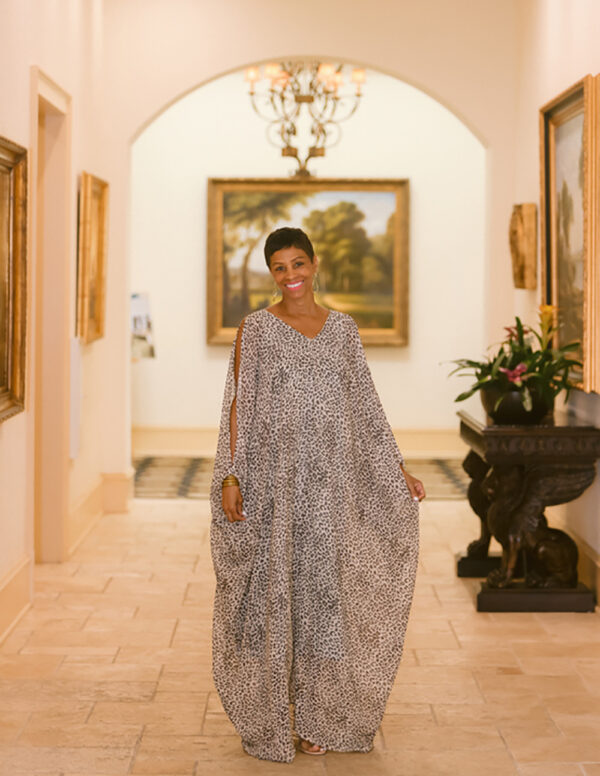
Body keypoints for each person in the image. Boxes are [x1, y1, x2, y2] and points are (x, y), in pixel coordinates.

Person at [210, 227, 424, 763]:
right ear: (271, 273)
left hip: (332, 485)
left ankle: (320, 713)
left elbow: (366, 407)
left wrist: (398, 471)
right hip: (274, 483)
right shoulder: (255, 330)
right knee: (275, 592)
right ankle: (273, 710)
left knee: (325, 599)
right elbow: (239, 403)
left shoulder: (343, 330)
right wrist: (231, 475)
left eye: (298, 263)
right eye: (280, 267)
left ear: (315, 262)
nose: (291, 276)